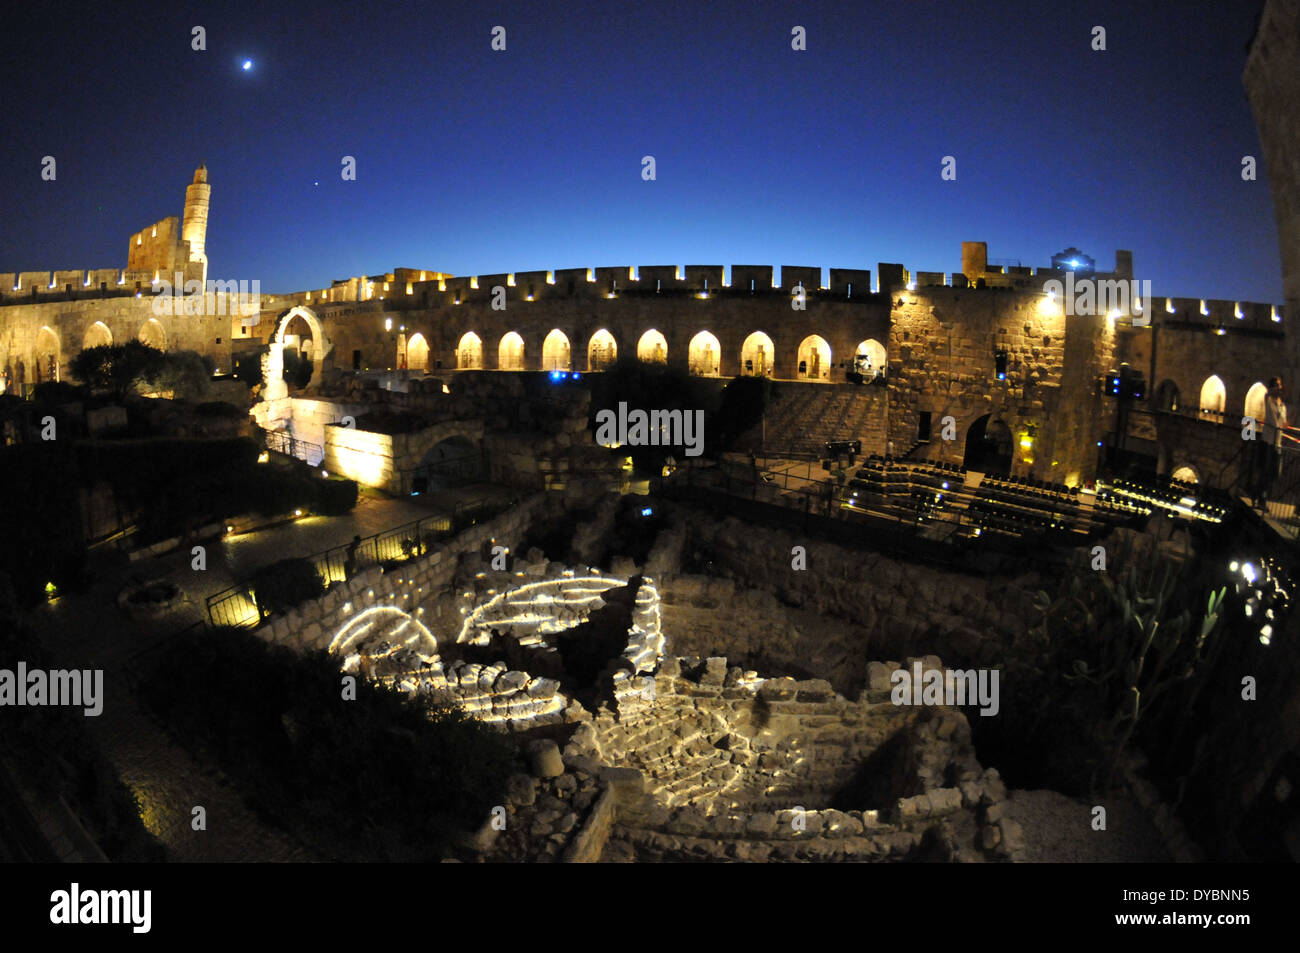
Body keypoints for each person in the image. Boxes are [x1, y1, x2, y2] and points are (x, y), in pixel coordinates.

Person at [1257, 377, 1288, 510]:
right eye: (1277, 385)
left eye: (1280, 385)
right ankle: (1261, 498)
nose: (1279, 388)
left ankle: (1256, 492)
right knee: (1266, 470)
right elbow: (1274, 422)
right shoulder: (1269, 400)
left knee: (1275, 472)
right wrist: (1280, 425)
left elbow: (1283, 422)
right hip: (1269, 440)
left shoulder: (1282, 405)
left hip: (1277, 442)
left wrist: (1283, 425)